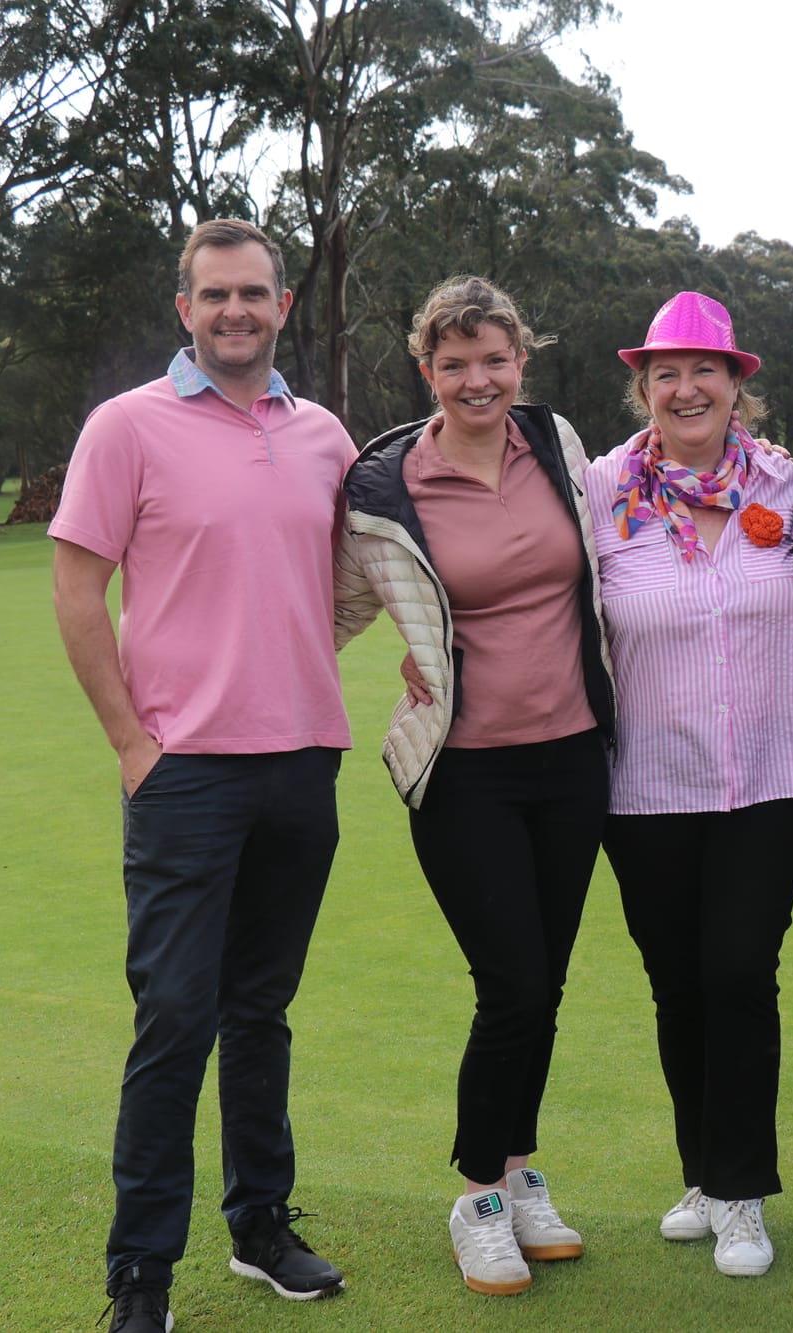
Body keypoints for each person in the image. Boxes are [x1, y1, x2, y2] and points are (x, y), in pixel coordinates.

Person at [50, 218, 353, 1333]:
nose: (235, 310)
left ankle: (260, 1224)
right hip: (184, 776)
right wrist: (133, 744)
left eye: (254, 293)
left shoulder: (322, 435)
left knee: (260, 1009)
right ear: (185, 309)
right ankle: (141, 1275)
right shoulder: (126, 425)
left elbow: (355, 576)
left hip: (302, 764)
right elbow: (77, 590)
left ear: (282, 306)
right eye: (215, 294)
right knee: (175, 1019)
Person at [331, 275, 615, 1298]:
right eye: (454, 363)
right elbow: (333, 609)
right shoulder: (385, 485)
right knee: (513, 985)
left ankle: (519, 1171)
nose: (477, 379)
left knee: (545, 986)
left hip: (573, 758)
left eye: (494, 359)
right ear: (428, 371)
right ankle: (478, 1197)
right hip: (464, 772)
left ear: (519, 361)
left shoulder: (557, 443)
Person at [583, 292, 793, 1278]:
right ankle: (704, 1175)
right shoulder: (598, 490)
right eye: (665, 373)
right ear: (644, 388)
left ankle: (743, 1190)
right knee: (678, 986)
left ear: (736, 384)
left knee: (739, 975)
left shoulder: (785, 482)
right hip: (645, 784)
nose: (686, 388)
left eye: (704, 370)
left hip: (770, 774)